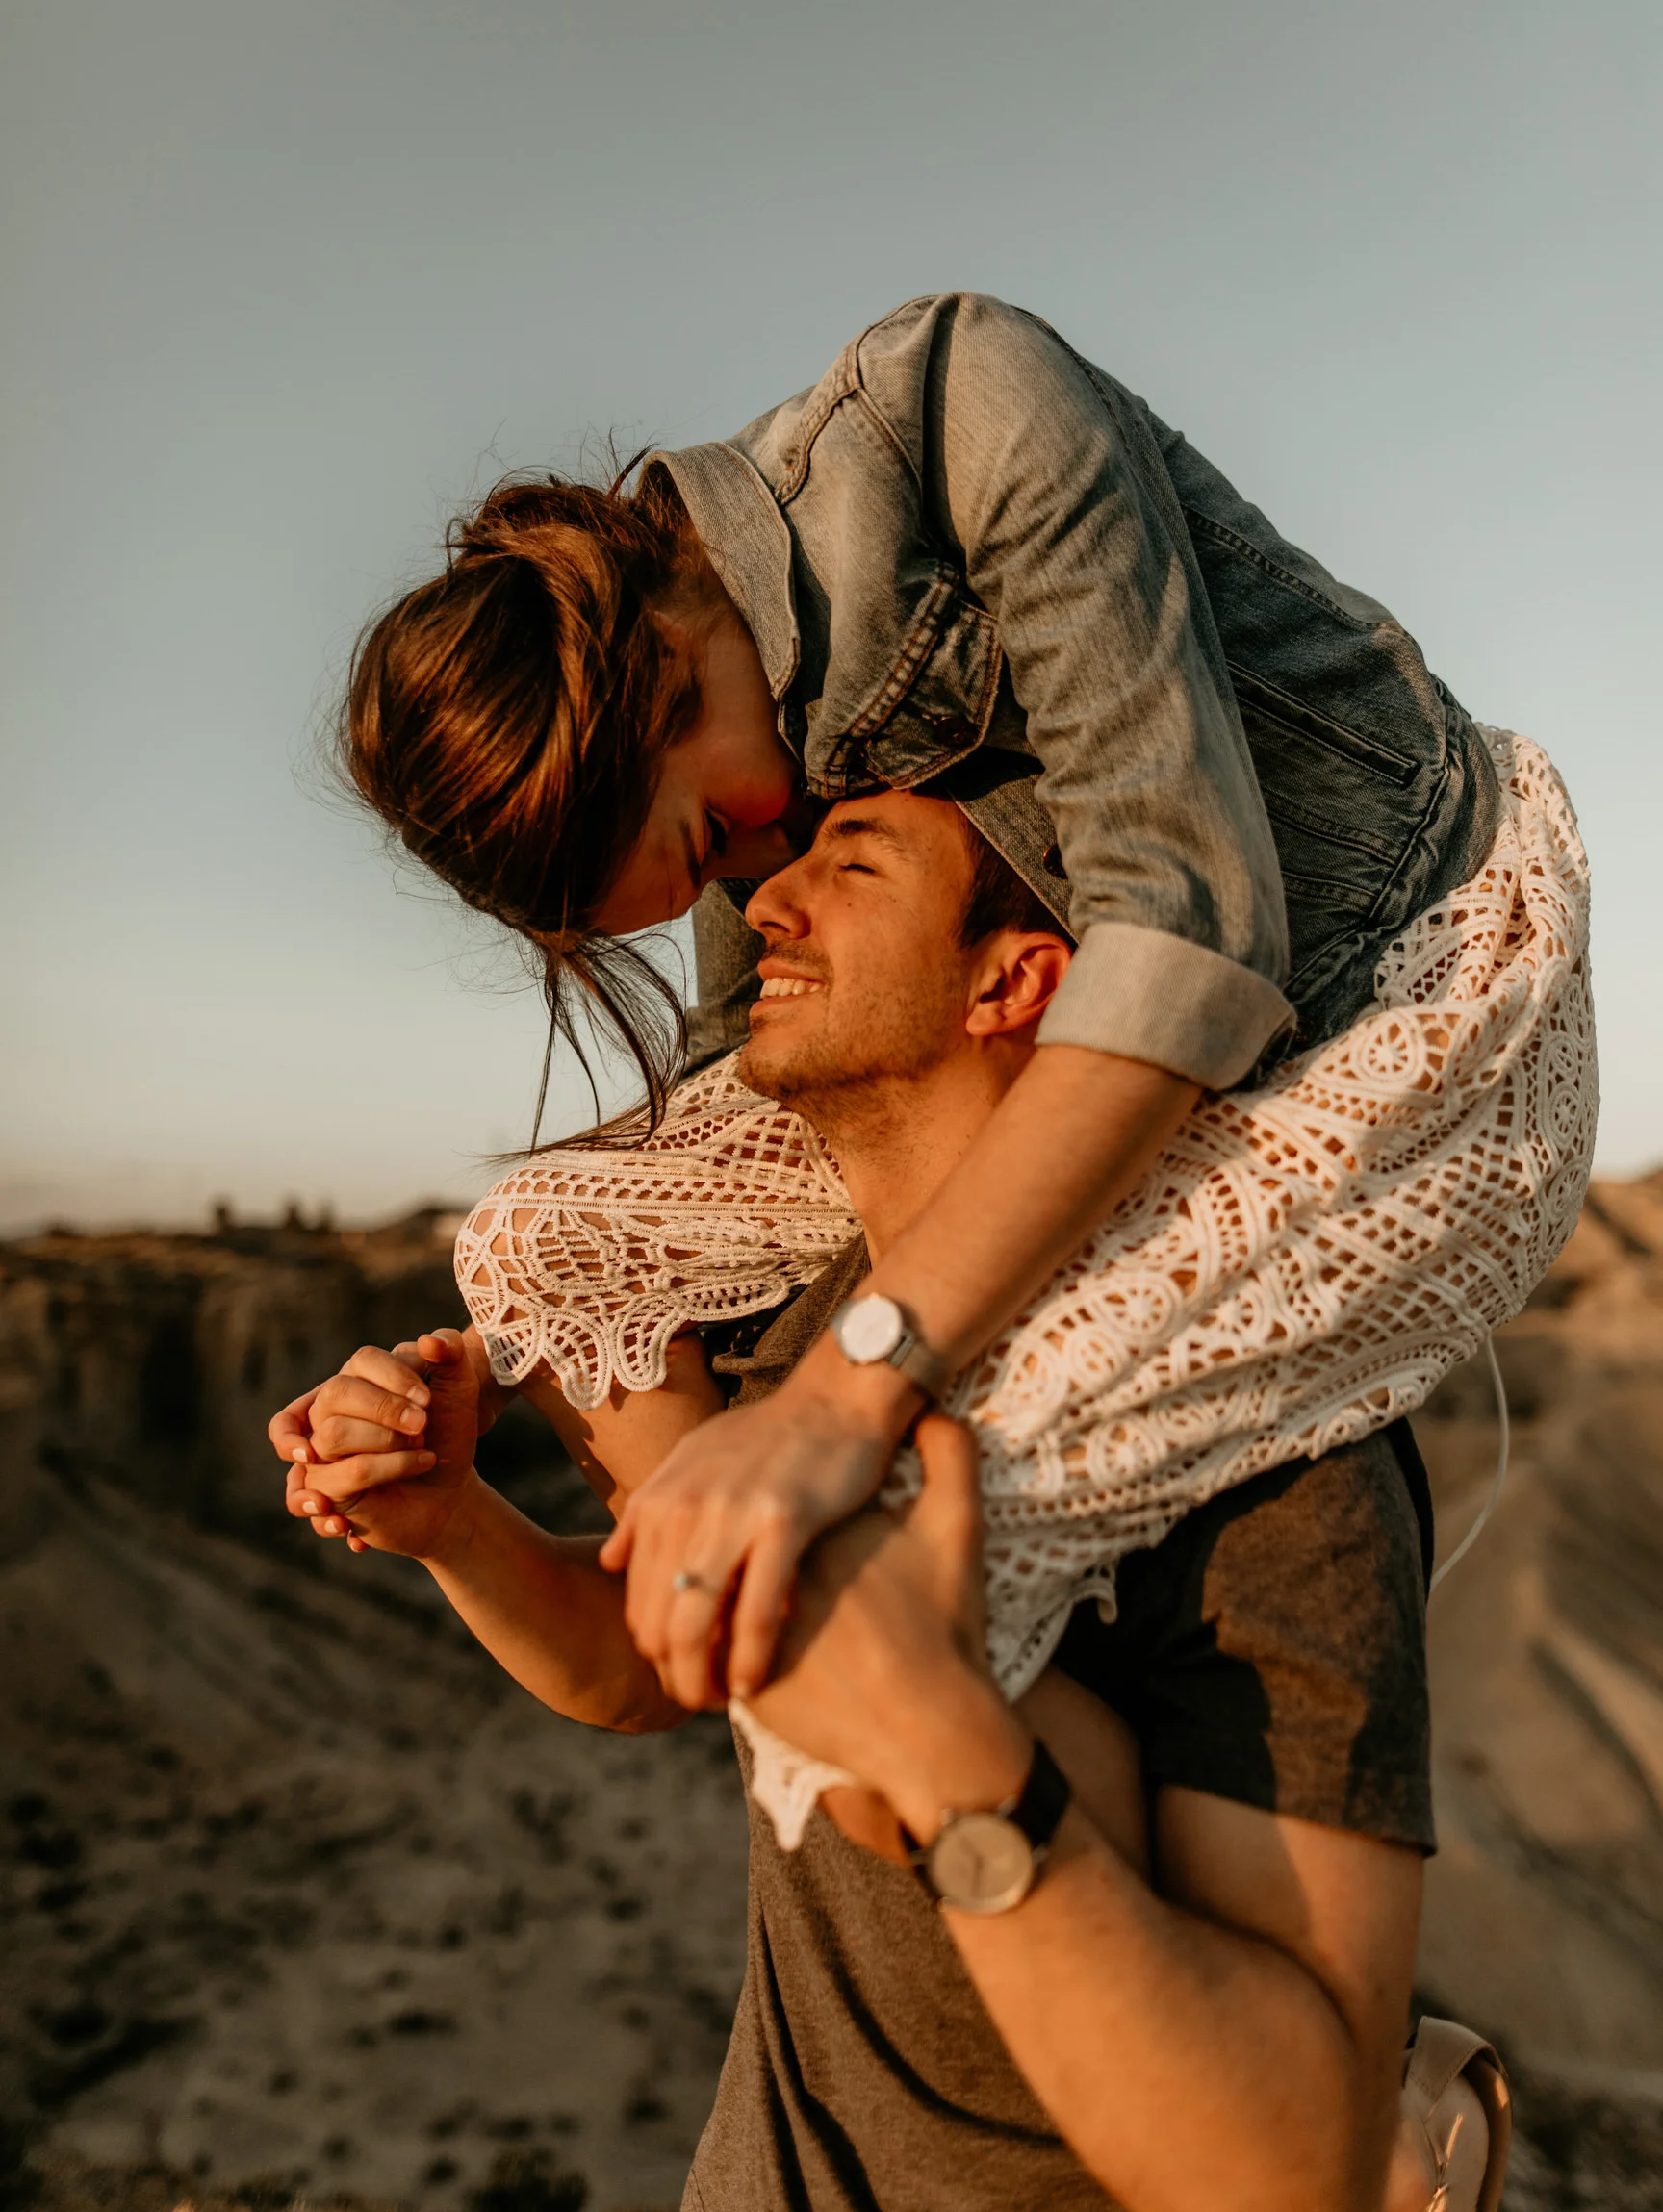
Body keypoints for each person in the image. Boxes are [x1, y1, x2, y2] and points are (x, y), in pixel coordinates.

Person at [282, 792, 1513, 2212]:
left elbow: (1293, 2171)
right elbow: (651, 1658)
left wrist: (938, 1741)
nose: (766, 910)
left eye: (851, 865)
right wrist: (453, 1524)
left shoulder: (1267, 1435)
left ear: (1014, 977)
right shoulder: (810, 1356)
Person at [328, 290, 1528, 1702]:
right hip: (1031, 1044)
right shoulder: (749, 769)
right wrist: (469, 1427)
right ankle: (795, 1629)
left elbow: (1190, 929)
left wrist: (851, 1394)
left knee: (968, 1461)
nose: (762, 891)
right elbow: (649, 1677)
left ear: (658, 668)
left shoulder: (961, 409)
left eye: (711, 844)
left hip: (1386, 969)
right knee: (545, 1241)